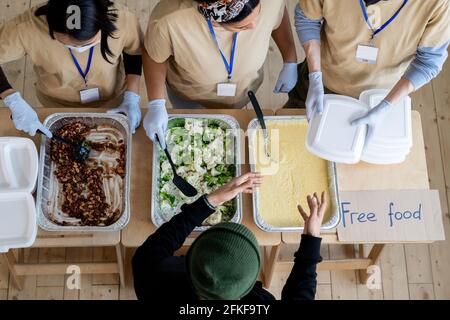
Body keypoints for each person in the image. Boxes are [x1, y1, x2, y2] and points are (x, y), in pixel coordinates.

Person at [132, 172, 326, 301]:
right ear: (247, 287)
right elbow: (300, 297)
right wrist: (311, 240)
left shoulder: (152, 274)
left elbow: (162, 241)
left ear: (192, 254)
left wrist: (211, 200)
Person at [288, 0, 449, 143]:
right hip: (320, 83)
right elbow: (307, 19)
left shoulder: (438, 4)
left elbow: (428, 62)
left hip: (380, 99)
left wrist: (386, 105)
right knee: (291, 140)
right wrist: (315, 75)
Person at [142, 0, 298, 147]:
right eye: (242, 27)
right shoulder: (170, 20)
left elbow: (276, 14)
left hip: (244, 91)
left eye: (258, 15)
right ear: (215, 20)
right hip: (190, 95)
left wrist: (290, 59)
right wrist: (156, 103)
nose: (253, 26)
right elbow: (154, 56)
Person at [0, 0, 144, 137]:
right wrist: (11, 98)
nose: (79, 49)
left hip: (113, 100)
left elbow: (133, 52)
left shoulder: (123, 19)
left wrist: (132, 97)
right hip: (56, 105)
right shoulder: (25, 27)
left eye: (88, 43)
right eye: (69, 44)